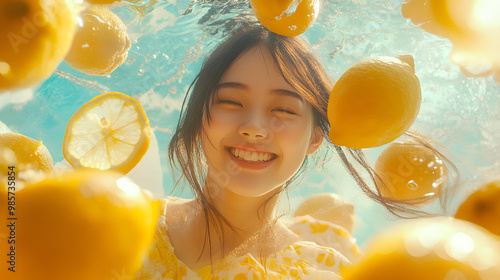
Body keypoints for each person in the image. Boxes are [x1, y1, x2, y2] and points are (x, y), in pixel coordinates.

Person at [135, 21, 455, 279]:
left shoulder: (327, 272)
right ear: (198, 117)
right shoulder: (128, 220)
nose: (255, 127)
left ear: (316, 137)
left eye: (284, 110)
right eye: (231, 102)